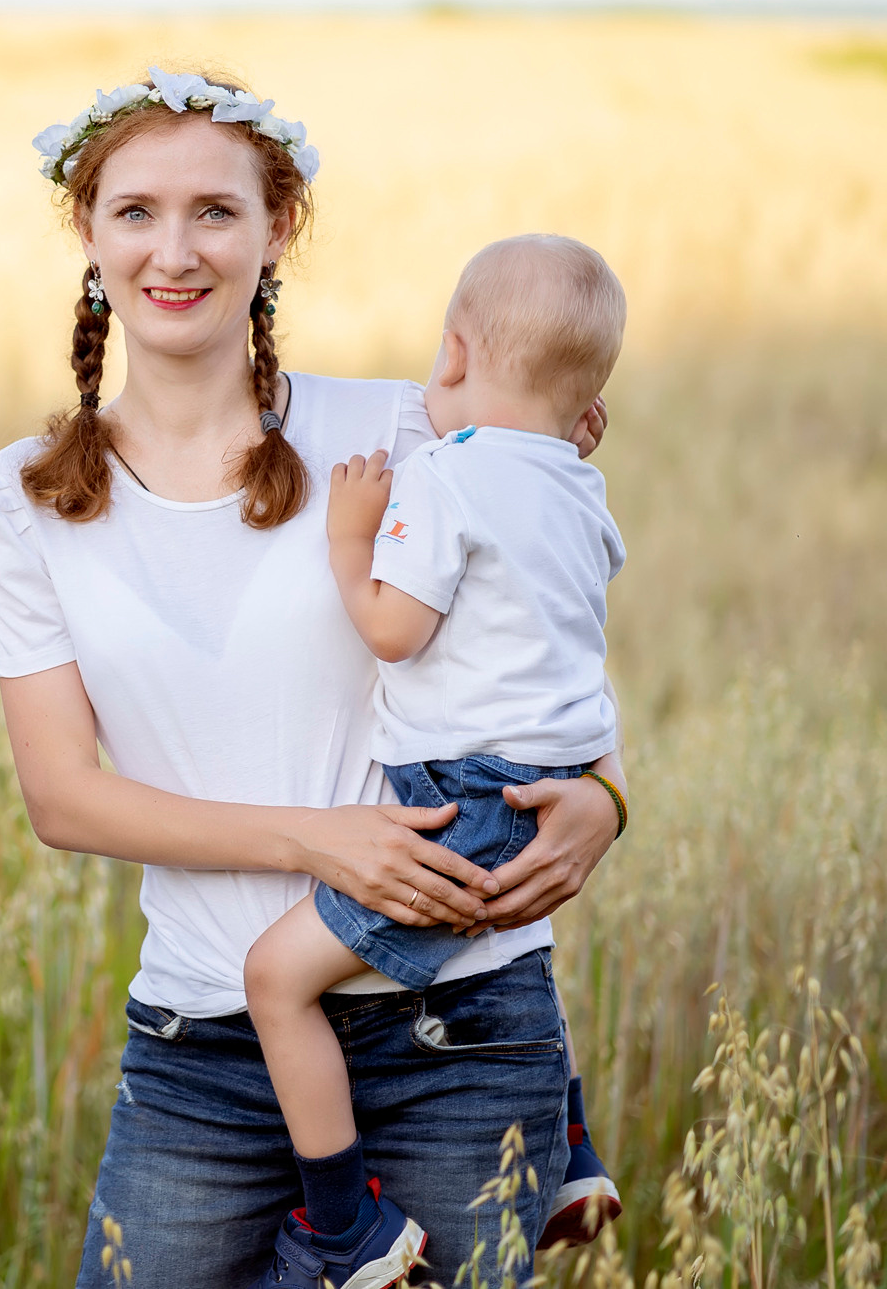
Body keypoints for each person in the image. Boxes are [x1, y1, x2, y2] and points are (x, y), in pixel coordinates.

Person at [0, 68, 625, 1285]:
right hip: (199, 1044)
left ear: (276, 232)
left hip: (453, 1030)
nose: (175, 248)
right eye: (136, 211)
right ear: (87, 231)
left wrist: (604, 793)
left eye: (215, 211)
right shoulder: (17, 499)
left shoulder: (410, 431)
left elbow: (548, 635)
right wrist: (322, 842)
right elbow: (64, 798)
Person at [240, 234, 631, 1284]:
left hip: (458, 791)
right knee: (508, 929)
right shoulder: (578, 488)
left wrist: (350, 536)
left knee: (275, 978)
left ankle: (341, 1225)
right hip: (551, 775)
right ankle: (568, 1148)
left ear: (453, 355)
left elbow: (392, 629)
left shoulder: (440, 477)